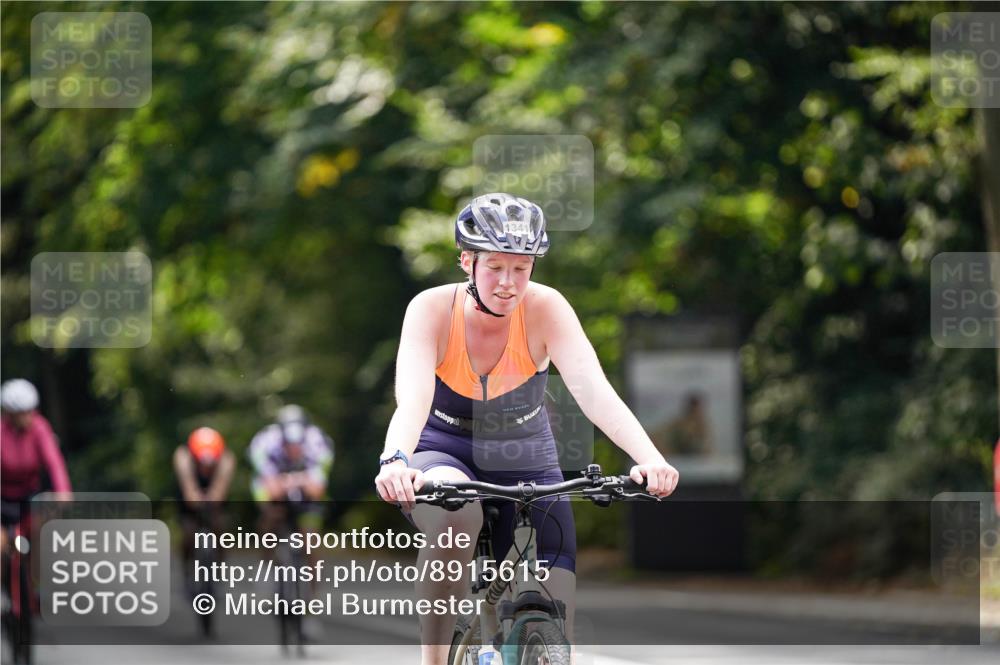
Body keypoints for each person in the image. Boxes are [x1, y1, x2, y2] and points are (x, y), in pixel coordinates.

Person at [374, 192, 680, 665]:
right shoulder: (430, 310)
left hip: (523, 447)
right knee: (458, 520)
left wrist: (650, 458)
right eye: (495, 266)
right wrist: (395, 459)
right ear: (466, 261)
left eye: (521, 268)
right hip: (442, 445)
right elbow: (412, 399)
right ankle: (433, 659)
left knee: (558, 594)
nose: (508, 283)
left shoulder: (547, 308)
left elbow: (594, 392)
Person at [0, 378, 72, 553]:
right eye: (22, 413)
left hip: (31, 496)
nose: (28, 416)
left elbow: (54, 462)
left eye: (30, 411)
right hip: (3, 498)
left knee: (46, 528)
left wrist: (63, 491)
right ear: (10, 414)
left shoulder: (40, 428)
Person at [248, 404, 334, 536]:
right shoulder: (264, 442)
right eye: (289, 444)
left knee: (310, 536)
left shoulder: (318, 442)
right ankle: (267, 553)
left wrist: (289, 481)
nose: (294, 449)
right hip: (272, 480)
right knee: (270, 515)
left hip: (301, 487)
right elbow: (272, 487)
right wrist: (298, 480)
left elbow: (316, 489)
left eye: (298, 444)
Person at [173, 426, 235, 563]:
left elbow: (221, 486)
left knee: (220, 529)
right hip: (189, 497)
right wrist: (192, 495)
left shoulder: (226, 458)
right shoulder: (183, 456)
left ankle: (219, 564)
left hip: (214, 493)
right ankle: (187, 566)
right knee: (188, 533)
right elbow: (187, 484)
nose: (206, 467)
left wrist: (215, 495)